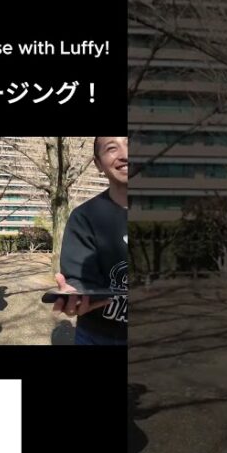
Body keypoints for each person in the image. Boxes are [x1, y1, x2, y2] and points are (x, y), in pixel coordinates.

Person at [52, 136, 129, 345]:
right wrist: (74, 294)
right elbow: (78, 279)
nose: (125, 155)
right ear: (98, 164)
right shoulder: (84, 217)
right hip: (99, 336)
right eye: (112, 148)